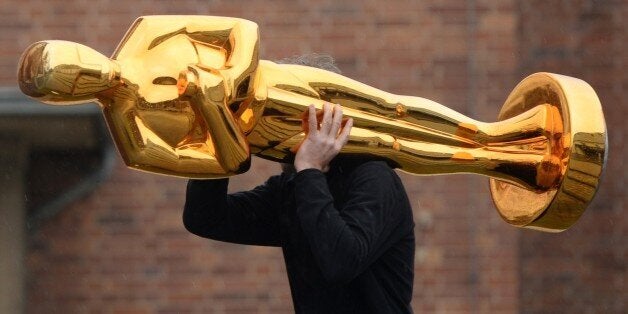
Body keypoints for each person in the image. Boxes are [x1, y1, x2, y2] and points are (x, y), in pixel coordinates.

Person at [184, 98, 415, 313]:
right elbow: (205, 218)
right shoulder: (295, 187)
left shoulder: (375, 178)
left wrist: (311, 168)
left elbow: (341, 262)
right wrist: (219, 133)